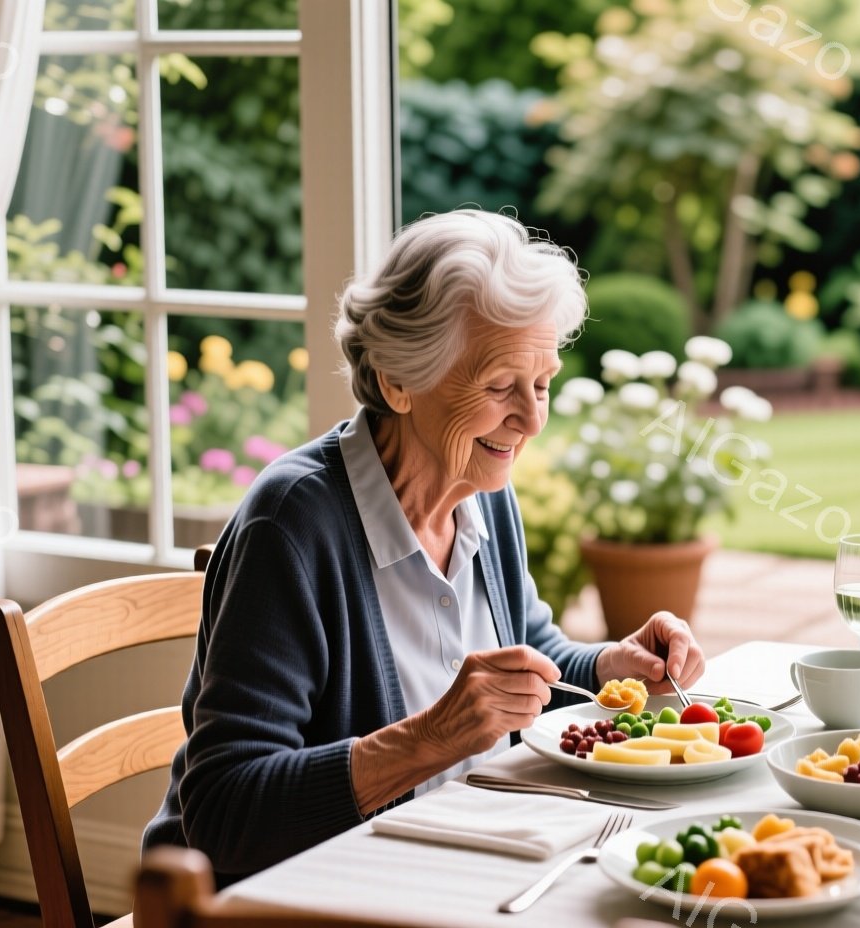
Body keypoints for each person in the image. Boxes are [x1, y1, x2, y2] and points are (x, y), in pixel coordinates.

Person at [142, 211, 705, 885]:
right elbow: (225, 815)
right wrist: (430, 739)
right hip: (291, 898)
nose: (530, 419)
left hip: (433, 869)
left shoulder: (480, 486)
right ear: (396, 381)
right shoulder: (293, 525)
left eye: (543, 382)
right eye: (499, 386)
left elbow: (530, 654)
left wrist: (612, 663)